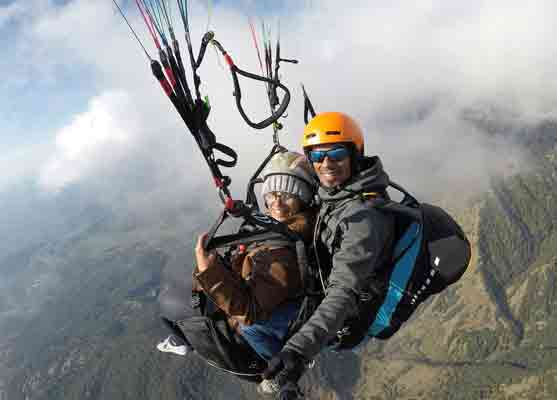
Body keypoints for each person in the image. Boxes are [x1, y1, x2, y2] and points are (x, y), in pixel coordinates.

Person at [158, 151, 316, 395]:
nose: (277, 201)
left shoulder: (283, 250)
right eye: (273, 193)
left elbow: (249, 313)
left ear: (303, 199)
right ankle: (183, 339)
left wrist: (208, 270)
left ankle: (276, 370)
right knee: (180, 296)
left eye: (288, 194)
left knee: (174, 302)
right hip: (266, 299)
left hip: (261, 327)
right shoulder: (284, 230)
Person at [263, 112, 397, 389]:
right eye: (317, 156)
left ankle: (277, 377)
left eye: (336, 153)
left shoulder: (363, 219)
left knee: (252, 324)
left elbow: (344, 292)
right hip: (324, 287)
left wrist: (298, 351)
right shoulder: (338, 193)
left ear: (354, 155)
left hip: (347, 317)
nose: (326, 163)